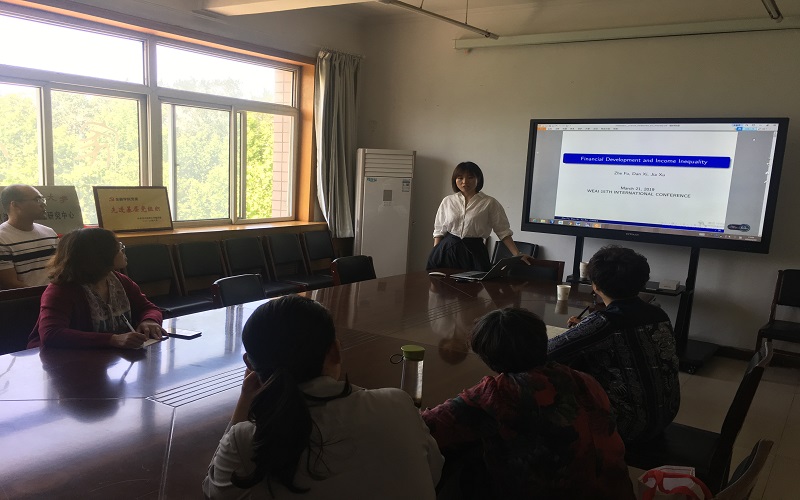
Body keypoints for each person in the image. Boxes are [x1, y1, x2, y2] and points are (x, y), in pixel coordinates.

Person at [203, 295, 443, 500]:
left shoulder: (247, 440)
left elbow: (214, 491)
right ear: (336, 351)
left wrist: (245, 400)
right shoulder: (398, 405)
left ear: (250, 364)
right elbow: (434, 472)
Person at [421, 307, 634, 500]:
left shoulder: (499, 393)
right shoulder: (584, 379)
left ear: (487, 357)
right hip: (616, 491)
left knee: (462, 469)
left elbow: (426, 426)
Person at [548, 245, 680, 444]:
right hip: (665, 415)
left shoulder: (604, 323)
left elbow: (547, 352)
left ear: (595, 286)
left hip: (627, 426)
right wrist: (585, 327)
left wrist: (585, 328)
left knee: (549, 377)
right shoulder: (659, 314)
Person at [27, 227, 164, 349]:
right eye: (117, 248)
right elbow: (51, 334)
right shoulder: (61, 290)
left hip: (106, 356)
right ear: (100, 256)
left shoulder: (118, 280)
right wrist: (112, 339)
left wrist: (149, 320)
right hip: (61, 360)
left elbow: (148, 308)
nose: (122, 250)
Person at [427, 161, 530, 272]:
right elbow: (439, 231)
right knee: (441, 282)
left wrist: (517, 254)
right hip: (447, 251)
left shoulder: (489, 203)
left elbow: (503, 231)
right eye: (460, 178)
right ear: (454, 180)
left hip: (475, 252)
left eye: (470, 177)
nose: (464, 182)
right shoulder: (448, 201)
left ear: (478, 179)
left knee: (475, 282)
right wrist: (436, 253)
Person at [0, 184, 59, 289]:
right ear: (15, 205)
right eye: (37, 200)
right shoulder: (2, 238)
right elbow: (11, 283)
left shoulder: (49, 233)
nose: (43, 204)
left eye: (42, 199)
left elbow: (60, 269)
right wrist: (47, 295)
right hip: (26, 298)